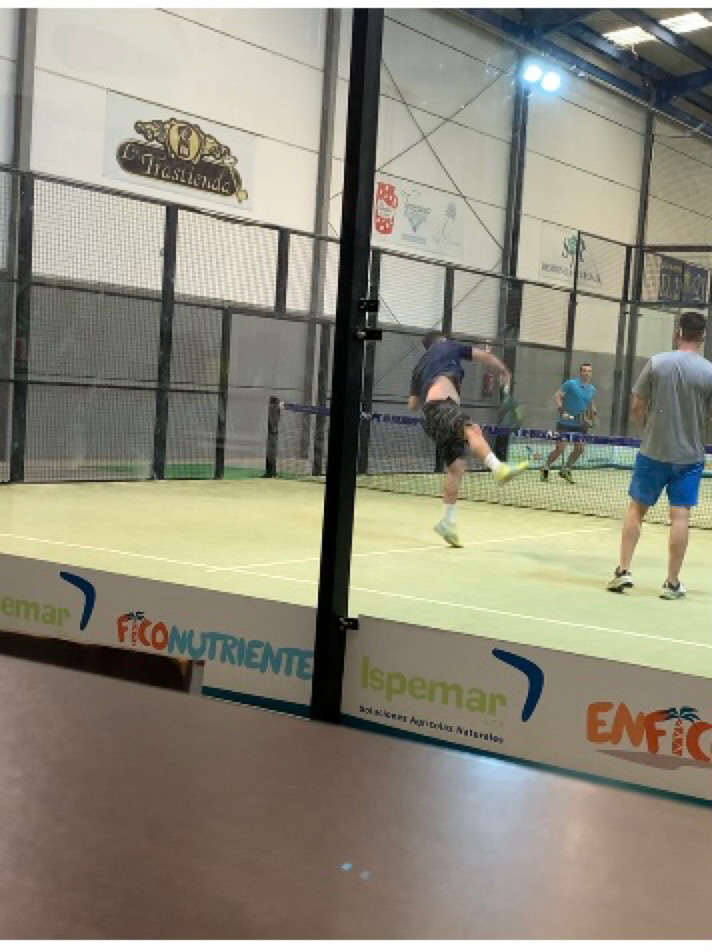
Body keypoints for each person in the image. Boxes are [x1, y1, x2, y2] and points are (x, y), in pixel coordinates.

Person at [607, 311, 712, 599]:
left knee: (636, 509)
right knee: (680, 517)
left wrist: (648, 431)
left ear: (679, 332)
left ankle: (623, 571)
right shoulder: (709, 371)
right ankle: (672, 583)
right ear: (702, 337)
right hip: (689, 457)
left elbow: (637, 406)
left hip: (652, 452)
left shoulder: (657, 362)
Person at [408, 331, 528, 548]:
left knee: (457, 468)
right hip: (442, 406)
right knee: (473, 430)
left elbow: (413, 405)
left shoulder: (419, 367)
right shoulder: (448, 346)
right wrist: (504, 370)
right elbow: (486, 357)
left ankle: (447, 522)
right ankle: (498, 468)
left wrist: (428, 381)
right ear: (442, 340)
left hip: (430, 417)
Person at [541, 362, 596, 484]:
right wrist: (562, 411)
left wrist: (592, 415)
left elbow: (591, 403)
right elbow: (557, 396)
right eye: (584, 370)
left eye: (589, 371)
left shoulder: (592, 389)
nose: (586, 373)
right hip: (565, 424)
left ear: (591, 373)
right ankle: (545, 467)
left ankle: (566, 469)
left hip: (581, 425)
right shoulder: (571, 384)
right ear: (580, 372)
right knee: (560, 449)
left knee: (580, 449)